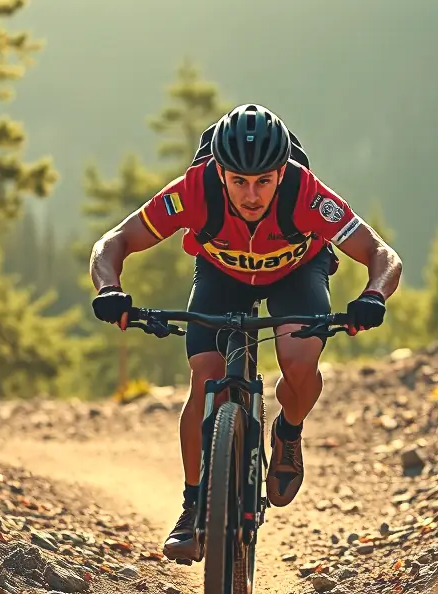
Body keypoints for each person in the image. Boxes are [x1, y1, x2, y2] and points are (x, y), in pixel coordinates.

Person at [88, 103, 402, 562]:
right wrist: (109, 289)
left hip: (297, 273)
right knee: (205, 377)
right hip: (221, 275)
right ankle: (193, 506)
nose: (251, 195)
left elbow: (381, 252)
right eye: (238, 181)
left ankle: (288, 432)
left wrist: (373, 295)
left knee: (298, 361)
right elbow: (113, 242)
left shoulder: (306, 193)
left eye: (263, 182)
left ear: (282, 172)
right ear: (219, 172)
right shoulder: (194, 190)